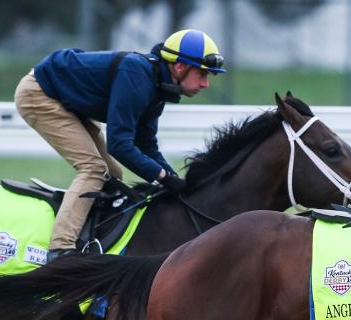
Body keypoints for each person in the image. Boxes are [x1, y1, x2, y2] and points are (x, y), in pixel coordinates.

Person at [14, 29, 225, 262]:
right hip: (40, 93)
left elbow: (146, 144)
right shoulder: (138, 74)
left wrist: (174, 178)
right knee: (93, 168)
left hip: (67, 101)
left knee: (114, 174)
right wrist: (162, 176)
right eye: (202, 74)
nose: (205, 83)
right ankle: (60, 250)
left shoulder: (158, 85)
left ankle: (91, 234)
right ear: (179, 67)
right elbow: (119, 144)